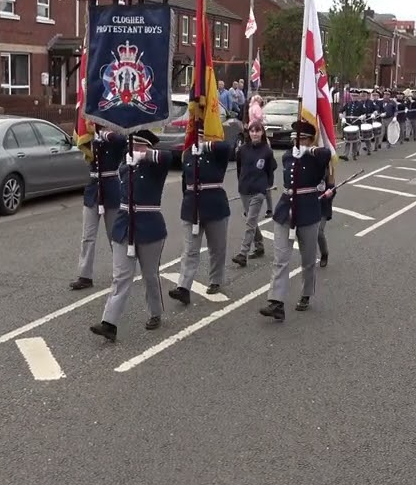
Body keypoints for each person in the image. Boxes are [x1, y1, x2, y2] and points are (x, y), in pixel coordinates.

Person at [90, 130, 173, 342]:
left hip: (149, 227)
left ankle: (155, 312)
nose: (134, 149)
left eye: (139, 146)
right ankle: (109, 323)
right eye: (132, 146)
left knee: (150, 275)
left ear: (148, 147)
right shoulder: (124, 168)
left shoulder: (156, 167)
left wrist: (144, 155)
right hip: (124, 227)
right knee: (120, 277)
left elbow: (167, 157)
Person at [259, 120, 332, 322]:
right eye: (294, 140)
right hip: (286, 210)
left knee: (308, 259)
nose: (296, 143)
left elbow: (327, 155)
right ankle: (276, 302)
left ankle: (306, 293)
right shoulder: (288, 156)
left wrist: (308, 151)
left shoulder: (317, 157)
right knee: (280, 258)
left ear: (310, 140)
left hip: (308, 210)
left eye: (301, 139)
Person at [170, 121, 234, 304]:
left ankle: (215, 280)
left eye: (203, 135)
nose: (199, 139)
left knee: (217, 248)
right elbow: (185, 181)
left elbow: (226, 147)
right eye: (197, 136)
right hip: (192, 207)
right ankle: (183, 287)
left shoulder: (216, 153)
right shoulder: (188, 154)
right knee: (190, 250)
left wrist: (206, 146)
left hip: (215, 205)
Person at [70, 124, 126, 291]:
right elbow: (81, 141)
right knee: (87, 236)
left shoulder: (115, 136)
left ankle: (121, 271)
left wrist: (104, 134)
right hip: (93, 189)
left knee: (114, 235)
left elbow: (122, 141)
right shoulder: (91, 137)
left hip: (111, 189)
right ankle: (85, 275)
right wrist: (93, 134)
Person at [233, 120, 276, 267]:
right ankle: (259, 246)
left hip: (259, 191)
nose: (255, 134)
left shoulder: (267, 151)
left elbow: (271, 170)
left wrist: (266, 185)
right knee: (251, 220)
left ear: (262, 132)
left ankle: (243, 253)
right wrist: (241, 182)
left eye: (257, 131)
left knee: (250, 222)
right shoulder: (242, 150)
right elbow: (239, 168)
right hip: (244, 189)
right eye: (252, 131)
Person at [317, 168, 335, 267]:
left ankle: (324, 253)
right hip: (309, 204)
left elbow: (333, 189)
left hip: (322, 206)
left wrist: (329, 194)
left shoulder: (328, 171)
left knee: (319, 231)